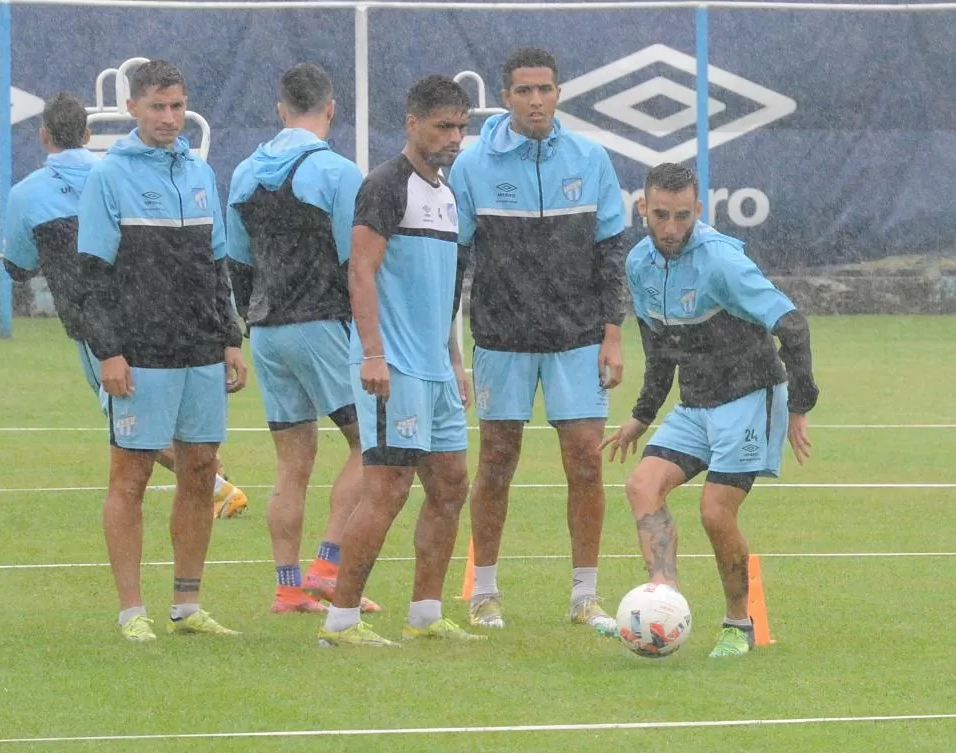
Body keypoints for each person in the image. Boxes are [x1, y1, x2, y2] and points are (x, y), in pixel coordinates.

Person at [601, 162, 819, 657]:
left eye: (682, 215)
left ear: (699, 210)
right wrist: (642, 413)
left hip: (748, 398)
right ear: (643, 210)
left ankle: (737, 625)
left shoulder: (722, 261)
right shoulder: (638, 263)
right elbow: (657, 347)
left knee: (715, 512)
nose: (672, 227)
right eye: (661, 215)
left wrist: (800, 404)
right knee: (642, 485)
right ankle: (662, 604)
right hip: (696, 403)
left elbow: (793, 325)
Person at [2, 92, 249, 522]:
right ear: (87, 133)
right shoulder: (116, 174)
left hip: (93, 323)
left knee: (128, 421)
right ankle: (204, 469)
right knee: (153, 414)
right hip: (152, 312)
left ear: (43, 136)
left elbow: (18, 269)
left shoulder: (28, 194)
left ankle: (214, 485)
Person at [448, 47, 627, 632]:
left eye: (545, 89)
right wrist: (451, 349)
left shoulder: (591, 158)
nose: (536, 101)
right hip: (502, 340)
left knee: (585, 463)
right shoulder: (473, 165)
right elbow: (456, 259)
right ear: (505, 98)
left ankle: (585, 597)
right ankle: (486, 592)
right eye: (524, 91)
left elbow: (609, 256)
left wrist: (612, 336)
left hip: (577, 340)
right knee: (497, 462)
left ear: (559, 93)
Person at [77, 60, 247, 642]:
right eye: (157, 106)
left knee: (201, 472)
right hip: (140, 353)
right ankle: (131, 612)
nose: (169, 117)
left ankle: (187, 605)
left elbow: (216, 264)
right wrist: (109, 352)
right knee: (132, 476)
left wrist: (230, 338)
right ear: (133, 109)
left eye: (177, 106)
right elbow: (91, 276)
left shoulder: (201, 171)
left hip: (201, 349)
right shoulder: (108, 175)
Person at [318, 75, 482, 647]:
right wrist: (372, 354)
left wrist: (456, 362)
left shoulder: (448, 194)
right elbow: (360, 270)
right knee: (386, 489)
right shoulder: (386, 185)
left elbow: (445, 292)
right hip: (394, 368)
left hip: (435, 371)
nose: (455, 137)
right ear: (412, 124)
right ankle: (340, 621)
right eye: (444, 126)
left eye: (461, 126)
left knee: (451, 486)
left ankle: (426, 612)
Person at [225, 62, 380, 615]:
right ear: (332, 108)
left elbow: (237, 264)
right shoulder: (338, 172)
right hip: (322, 326)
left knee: (292, 464)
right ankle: (327, 567)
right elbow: (355, 264)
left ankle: (288, 587)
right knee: (374, 444)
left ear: (279, 109)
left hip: (267, 331)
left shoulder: (244, 172)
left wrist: (249, 325)